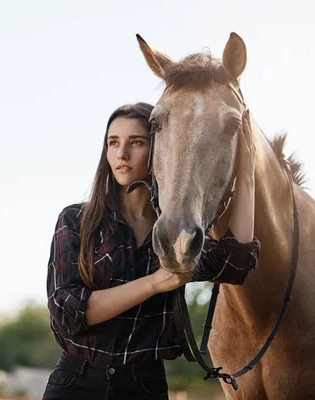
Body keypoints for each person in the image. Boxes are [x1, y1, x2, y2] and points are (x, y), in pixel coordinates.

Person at [43, 102, 260, 399]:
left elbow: (236, 262)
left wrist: (246, 176)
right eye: (113, 143)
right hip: (76, 381)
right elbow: (67, 310)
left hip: (144, 385)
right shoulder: (75, 221)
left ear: (161, 150)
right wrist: (155, 283)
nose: (122, 154)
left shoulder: (176, 234)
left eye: (136, 142)